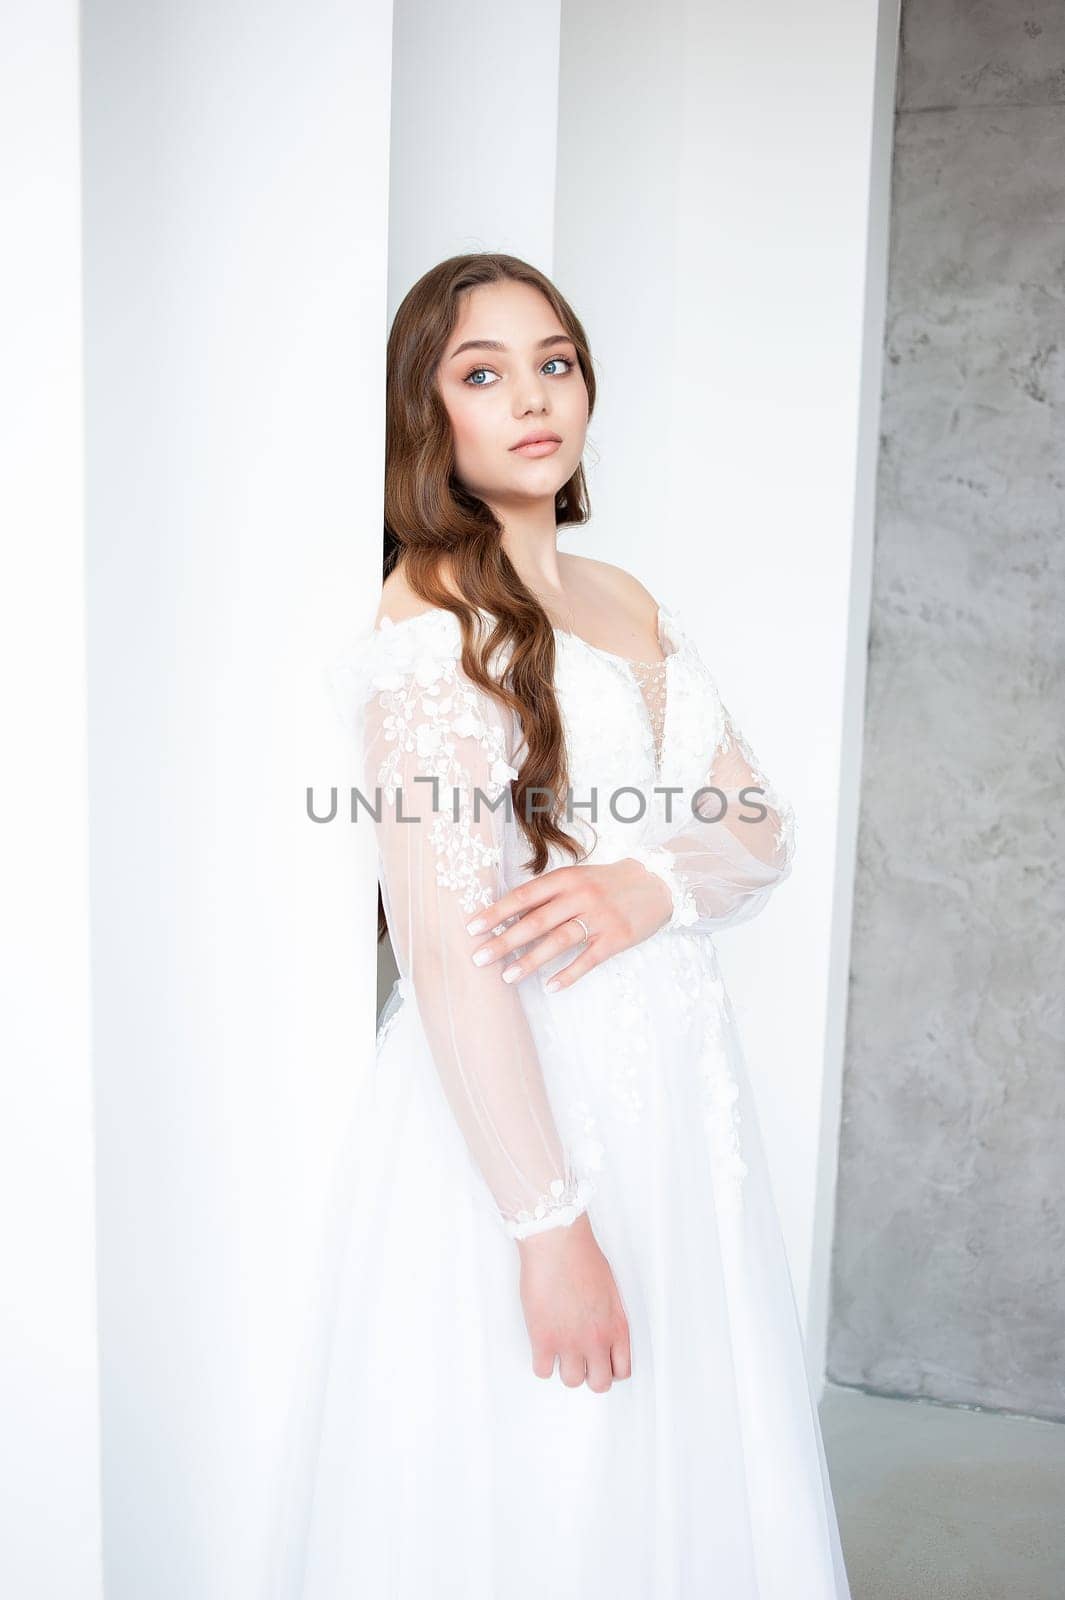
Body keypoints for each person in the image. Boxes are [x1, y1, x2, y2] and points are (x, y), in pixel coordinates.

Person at [266, 252, 852, 1598]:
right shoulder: (428, 622)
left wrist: (645, 884)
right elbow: (450, 952)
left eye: (555, 361)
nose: (532, 396)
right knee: (547, 1467)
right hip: (531, 1112)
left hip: (674, 1100)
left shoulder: (627, 599)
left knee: (680, 1446)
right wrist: (547, 1228)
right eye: (482, 372)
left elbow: (756, 828)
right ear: (432, 416)